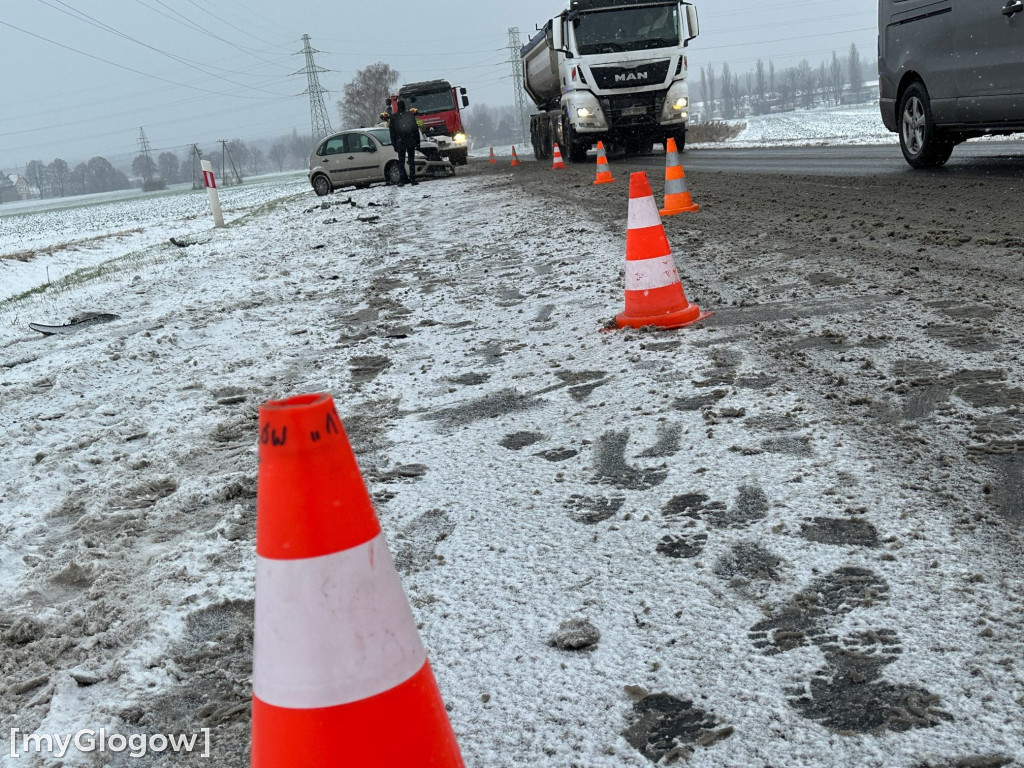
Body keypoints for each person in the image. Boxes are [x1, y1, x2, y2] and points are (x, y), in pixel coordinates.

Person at [388, 99, 420, 186]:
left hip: (400, 142)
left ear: (398, 107)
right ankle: (413, 178)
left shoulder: (394, 117)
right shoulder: (410, 115)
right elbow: (415, 129)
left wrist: (394, 143)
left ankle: (402, 179)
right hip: (410, 140)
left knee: (401, 161)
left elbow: (392, 132)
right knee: (411, 160)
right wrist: (417, 142)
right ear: (405, 106)